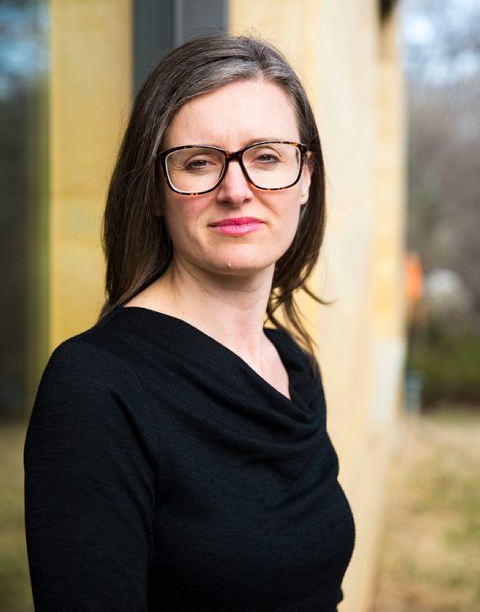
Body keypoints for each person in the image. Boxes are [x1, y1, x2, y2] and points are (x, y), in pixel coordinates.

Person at [24, 34, 355, 611]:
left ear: (306, 178)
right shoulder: (96, 387)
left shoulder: (293, 367)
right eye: (198, 162)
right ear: (154, 189)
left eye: (267, 157)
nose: (236, 189)